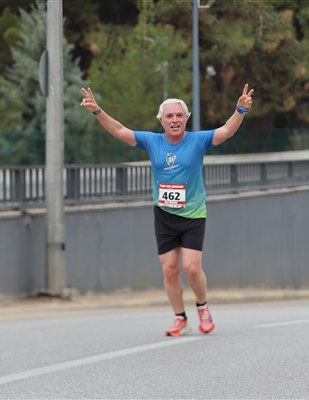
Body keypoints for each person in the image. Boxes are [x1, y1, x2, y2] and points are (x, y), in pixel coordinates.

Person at [80, 84, 254, 335]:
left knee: (191, 268)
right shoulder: (153, 141)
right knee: (170, 269)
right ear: (161, 120)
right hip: (164, 214)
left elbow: (226, 131)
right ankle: (180, 318)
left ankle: (203, 307)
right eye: (169, 116)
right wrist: (98, 111)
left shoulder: (198, 140)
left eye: (179, 115)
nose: (175, 120)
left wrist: (240, 110)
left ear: (186, 119)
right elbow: (119, 131)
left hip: (193, 214)